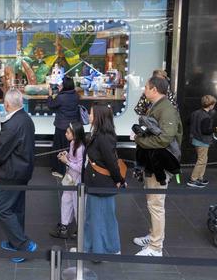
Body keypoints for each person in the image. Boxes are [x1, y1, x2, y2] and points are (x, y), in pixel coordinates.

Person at [133, 76, 182, 257]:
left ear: (154, 90)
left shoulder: (166, 109)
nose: (143, 90)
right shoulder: (158, 106)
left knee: (156, 204)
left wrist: (139, 139)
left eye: (146, 87)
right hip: (153, 161)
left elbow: (165, 139)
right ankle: (153, 235)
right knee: (152, 202)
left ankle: (155, 247)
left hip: (160, 163)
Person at [0, 89, 37, 263]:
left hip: (11, 173)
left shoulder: (12, 124)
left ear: (6, 104)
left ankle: (23, 245)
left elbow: (0, 151)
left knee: (2, 209)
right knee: (17, 208)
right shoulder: (26, 119)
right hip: (24, 170)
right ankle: (16, 243)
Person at [83, 105, 124, 255]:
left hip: (101, 182)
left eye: (91, 113)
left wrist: (118, 179)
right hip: (97, 182)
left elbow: (111, 162)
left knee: (103, 217)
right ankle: (90, 247)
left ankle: (107, 249)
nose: (89, 115)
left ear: (98, 116)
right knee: (92, 216)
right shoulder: (99, 134)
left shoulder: (103, 137)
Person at [50, 121, 86, 239]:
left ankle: (80, 229)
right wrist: (67, 155)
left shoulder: (80, 148)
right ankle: (64, 226)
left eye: (68, 132)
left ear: (75, 134)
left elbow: (80, 168)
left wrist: (67, 162)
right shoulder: (73, 144)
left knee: (77, 204)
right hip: (70, 176)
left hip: (77, 179)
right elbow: (73, 159)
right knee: (65, 199)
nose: (65, 134)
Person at [47, 76, 81, 178]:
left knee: (59, 148)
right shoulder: (76, 96)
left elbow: (51, 105)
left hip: (61, 127)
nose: (60, 85)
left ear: (65, 86)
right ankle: (69, 168)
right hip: (72, 127)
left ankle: (59, 170)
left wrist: (50, 95)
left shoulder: (61, 97)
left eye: (62, 84)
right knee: (70, 148)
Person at [187, 95, 217, 188]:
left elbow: (188, 122)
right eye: (214, 104)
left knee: (203, 159)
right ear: (211, 105)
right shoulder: (206, 117)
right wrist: (214, 129)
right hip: (203, 141)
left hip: (195, 139)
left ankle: (200, 177)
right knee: (201, 160)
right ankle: (193, 179)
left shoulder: (195, 113)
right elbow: (205, 131)